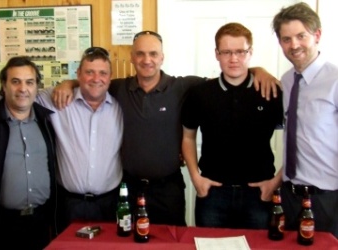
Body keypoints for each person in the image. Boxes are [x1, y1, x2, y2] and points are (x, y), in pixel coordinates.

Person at [49, 31, 280, 226]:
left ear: (162, 57)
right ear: (132, 57)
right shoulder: (118, 88)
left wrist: (259, 70)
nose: (146, 59)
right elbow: (94, 82)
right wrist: (69, 83)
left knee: (172, 242)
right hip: (127, 187)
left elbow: (230, 76)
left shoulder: (184, 87)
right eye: (140, 53)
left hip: (168, 188)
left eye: (153, 54)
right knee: (128, 242)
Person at [0, 47, 123, 233]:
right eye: (89, 72)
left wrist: (70, 82)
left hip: (110, 203)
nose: (96, 78)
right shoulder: (56, 99)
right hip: (68, 204)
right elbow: (20, 94)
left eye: (102, 73)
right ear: (79, 74)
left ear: (110, 76)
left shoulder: (121, 103)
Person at [181, 22, 283, 229]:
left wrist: (276, 182)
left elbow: (295, 141)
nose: (234, 59)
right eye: (226, 52)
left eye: (240, 51)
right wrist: (195, 178)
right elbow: (188, 137)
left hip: (259, 193)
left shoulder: (271, 92)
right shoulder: (199, 93)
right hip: (212, 194)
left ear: (250, 52)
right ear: (217, 54)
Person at [0, 56, 58, 249]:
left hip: (41, 222)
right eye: (15, 82)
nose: (23, 89)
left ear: (37, 87)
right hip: (2, 225)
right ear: (4, 86)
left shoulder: (47, 121)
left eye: (29, 82)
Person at [272, 2, 338, 238]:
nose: (294, 45)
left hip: (327, 199)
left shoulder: (335, 80)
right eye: (286, 39)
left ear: (317, 35)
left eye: (301, 36)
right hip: (289, 197)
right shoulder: (287, 80)